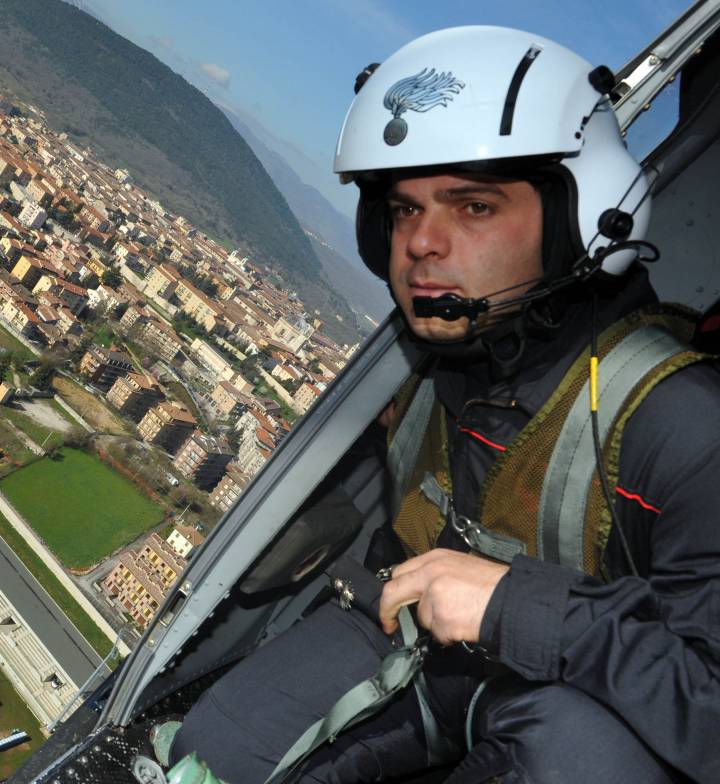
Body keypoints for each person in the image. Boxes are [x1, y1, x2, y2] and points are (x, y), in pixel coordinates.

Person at [168, 26, 720, 783]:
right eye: (402, 210)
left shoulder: (684, 425)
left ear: (583, 222)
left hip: (579, 704)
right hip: (423, 657)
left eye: (474, 207)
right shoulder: (438, 358)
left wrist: (517, 610)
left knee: (582, 758)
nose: (421, 242)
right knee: (213, 754)